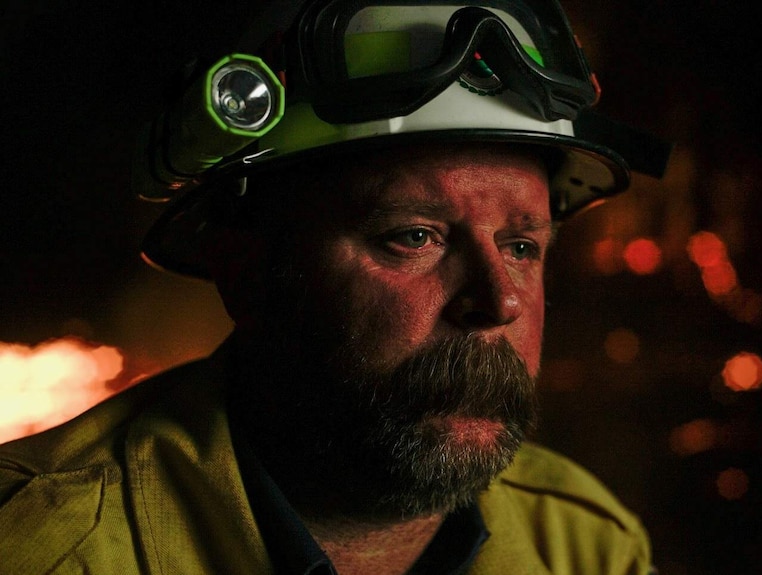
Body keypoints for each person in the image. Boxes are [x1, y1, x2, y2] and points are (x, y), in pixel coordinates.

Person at [0, 1, 669, 573]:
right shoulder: (40, 547)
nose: (498, 302)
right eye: (414, 236)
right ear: (246, 268)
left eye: (521, 246)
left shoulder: (587, 547)